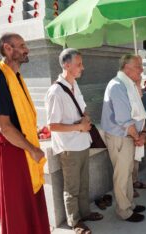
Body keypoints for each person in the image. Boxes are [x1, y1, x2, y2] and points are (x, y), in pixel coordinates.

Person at [0, 33, 50, 233]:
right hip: (12, 152)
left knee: (30, 202)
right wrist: (33, 149)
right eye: (21, 45)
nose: (26, 49)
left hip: (21, 146)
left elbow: (17, 118)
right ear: (8, 48)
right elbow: (5, 126)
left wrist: (32, 130)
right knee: (18, 209)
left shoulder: (15, 77)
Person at [45, 48, 103, 234]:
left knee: (84, 183)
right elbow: (52, 126)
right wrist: (79, 127)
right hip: (69, 147)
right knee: (72, 187)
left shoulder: (74, 85)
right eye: (79, 64)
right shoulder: (55, 92)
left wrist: (85, 119)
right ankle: (74, 221)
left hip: (83, 142)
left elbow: (82, 108)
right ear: (66, 65)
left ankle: (85, 213)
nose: (82, 68)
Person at [101, 54, 146, 222]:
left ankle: (129, 204)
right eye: (138, 67)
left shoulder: (127, 84)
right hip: (121, 137)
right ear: (127, 68)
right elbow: (124, 121)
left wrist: (141, 134)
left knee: (127, 173)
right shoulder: (117, 86)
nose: (142, 70)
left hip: (128, 136)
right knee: (122, 175)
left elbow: (138, 111)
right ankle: (124, 211)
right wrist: (138, 137)